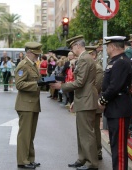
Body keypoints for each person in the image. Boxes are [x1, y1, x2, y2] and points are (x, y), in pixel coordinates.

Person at [50, 35, 99, 170]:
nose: (72, 50)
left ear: (78, 46)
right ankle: (82, 158)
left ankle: (91, 163)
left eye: (72, 47)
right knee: (81, 132)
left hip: (86, 100)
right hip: (83, 99)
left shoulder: (84, 59)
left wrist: (62, 86)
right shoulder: (84, 58)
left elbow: (80, 82)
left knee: (86, 134)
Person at [98, 36, 132, 170]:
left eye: (108, 46)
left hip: (119, 107)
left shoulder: (121, 62)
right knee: (115, 145)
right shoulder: (115, 61)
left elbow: (114, 86)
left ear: (113, 46)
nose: (107, 48)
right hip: (115, 107)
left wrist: (102, 100)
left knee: (118, 147)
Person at [15, 42, 43, 169]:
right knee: (24, 135)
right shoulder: (23, 65)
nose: (37, 56)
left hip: (32, 104)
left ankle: (30, 159)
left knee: (30, 134)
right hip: (25, 105)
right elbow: (19, 84)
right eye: (36, 54)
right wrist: (36, 85)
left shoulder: (32, 65)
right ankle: (23, 161)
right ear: (29, 53)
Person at [85, 46, 103, 160]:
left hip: (94, 100)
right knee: (89, 128)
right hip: (87, 101)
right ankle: (92, 151)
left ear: (93, 55)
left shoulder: (97, 68)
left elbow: (97, 86)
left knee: (95, 128)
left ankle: (98, 151)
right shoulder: (89, 67)